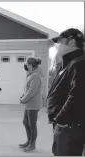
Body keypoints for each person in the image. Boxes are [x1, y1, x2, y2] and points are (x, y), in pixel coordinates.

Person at [46, 28, 85, 156]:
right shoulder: (68, 63)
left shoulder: (79, 63)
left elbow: (77, 95)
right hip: (63, 126)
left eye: (60, 42)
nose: (57, 46)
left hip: (69, 127)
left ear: (72, 42)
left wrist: (62, 120)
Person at [19, 57, 43, 152]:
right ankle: (29, 141)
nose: (25, 65)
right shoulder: (30, 75)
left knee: (32, 125)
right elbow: (28, 89)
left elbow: (32, 91)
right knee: (25, 122)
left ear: (31, 65)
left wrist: (23, 99)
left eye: (27, 64)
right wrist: (23, 96)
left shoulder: (35, 76)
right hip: (29, 104)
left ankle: (32, 144)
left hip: (33, 104)